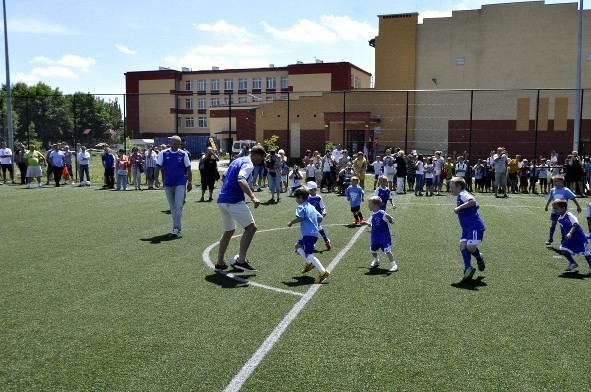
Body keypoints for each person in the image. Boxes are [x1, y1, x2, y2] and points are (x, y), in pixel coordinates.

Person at [214, 144, 266, 272]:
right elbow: (241, 179)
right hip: (234, 201)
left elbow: (224, 176)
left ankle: (220, 262)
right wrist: (253, 197)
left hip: (222, 200)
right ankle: (241, 260)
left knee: (229, 231)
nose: (260, 162)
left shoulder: (237, 160)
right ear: (258, 156)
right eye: (261, 159)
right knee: (251, 228)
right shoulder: (249, 164)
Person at [287, 186, 330, 283]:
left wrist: (291, 222)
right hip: (313, 233)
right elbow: (320, 218)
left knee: (308, 254)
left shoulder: (300, 207)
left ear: (300, 198)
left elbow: (300, 218)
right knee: (297, 246)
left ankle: (323, 272)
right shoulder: (312, 207)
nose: (295, 200)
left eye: (296, 198)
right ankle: (309, 263)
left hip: (308, 234)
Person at [154, 135, 192, 238]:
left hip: (180, 182)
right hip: (168, 183)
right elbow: (157, 167)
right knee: (172, 207)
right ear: (170, 143)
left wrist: (190, 182)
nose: (176, 146)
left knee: (178, 206)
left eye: (178, 144)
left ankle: (176, 229)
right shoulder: (163, 153)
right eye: (174, 143)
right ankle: (176, 227)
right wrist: (156, 179)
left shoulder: (183, 154)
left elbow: (188, 169)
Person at [450, 176, 486, 283]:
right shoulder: (462, 194)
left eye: (452, 187)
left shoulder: (463, 194)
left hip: (474, 227)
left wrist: (459, 208)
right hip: (467, 228)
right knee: (463, 246)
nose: (450, 189)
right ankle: (468, 268)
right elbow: (475, 204)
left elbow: (473, 201)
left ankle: (479, 258)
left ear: (458, 186)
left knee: (470, 247)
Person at [553, 198, 591, 272]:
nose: (554, 210)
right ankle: (573, 263)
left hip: (579, 238)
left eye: (556, 208)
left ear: (563, 208)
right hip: (570, 239)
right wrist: (565, 236)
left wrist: (570, 233)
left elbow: (575, 223)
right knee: (563, 249)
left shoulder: (568, 215)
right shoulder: (559, 219)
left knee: (585, 253)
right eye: (554, 208)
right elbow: (564, 229)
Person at [362, 195, 398, 272]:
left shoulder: (381, 213)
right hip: (375, 237)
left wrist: (389, 218)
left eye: (370, 204)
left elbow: (390, 219)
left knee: (387, 250)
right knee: (373, 250)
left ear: (375, 205)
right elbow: (371, 223)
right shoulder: (373, 215)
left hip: (383, 236)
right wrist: (365, 223)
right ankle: (376, 260)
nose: (368, 206)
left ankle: (393, 264)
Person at [544, 175, 582, 245]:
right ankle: (550, 238)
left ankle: (563, 241)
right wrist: (546, 206)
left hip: (563, 213)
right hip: (554, 211)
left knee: (563, 226)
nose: (554, 183)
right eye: (554, 181)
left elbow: (573, 198)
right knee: (553, 224)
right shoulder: (553, 190)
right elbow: (551, 198)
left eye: (556, 181)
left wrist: (578, 207)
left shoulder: (566, 190)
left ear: (561, 182)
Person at [306, 180, 331, 250]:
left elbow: (323, 207)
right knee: (313, 230)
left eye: (311, 190)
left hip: (317, 217)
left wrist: (324, 211)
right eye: (309, 190)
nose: (309, 192)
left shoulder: (319, 198)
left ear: (315, 189)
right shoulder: (307, 198)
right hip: (309, 216)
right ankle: (325, 240)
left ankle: (325, 240)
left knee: (316, 228)